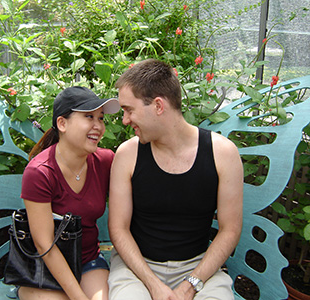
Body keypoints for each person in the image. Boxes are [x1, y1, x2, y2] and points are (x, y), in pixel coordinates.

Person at [108, 59, 243, 300]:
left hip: (199, 269)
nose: (125, 120)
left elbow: (230, 230)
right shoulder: (128, 154)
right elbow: (118, 229)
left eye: (129, 110)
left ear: (158, 105)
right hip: (137, 268)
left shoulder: (222, 154)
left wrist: (190, 285)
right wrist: (152, 284)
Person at [18, 86, 120, 300]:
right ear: (62, 123)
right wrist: (78, 297)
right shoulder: (39, 172)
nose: (98, 126)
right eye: (89, 117)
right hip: (43, 269)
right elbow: (43, 243)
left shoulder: (105, 161)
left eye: (100, 118)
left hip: (87, 261)